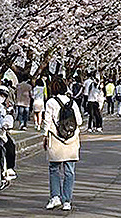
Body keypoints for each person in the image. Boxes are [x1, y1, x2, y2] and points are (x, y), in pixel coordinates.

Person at [43, 76, 82, 212]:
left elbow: (47, 122)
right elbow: (80, 121)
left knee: (54, 169)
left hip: (55, 138)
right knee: (69, 171)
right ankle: (67, 200)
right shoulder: (72, 102)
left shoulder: (51, 102)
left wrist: (45, 136)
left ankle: (55, 197)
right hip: (71, 139)